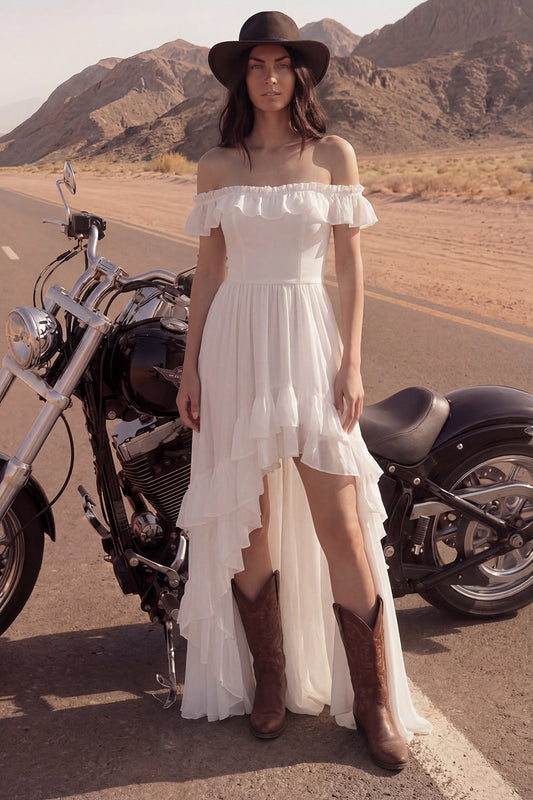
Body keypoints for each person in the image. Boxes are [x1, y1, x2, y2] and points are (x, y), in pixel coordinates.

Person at [176, 10, 431, 771]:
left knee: (342, 523)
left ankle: (374, 703)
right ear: (240, 77)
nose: (269, 76)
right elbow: (209, 273)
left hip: (308, 342)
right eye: (255, 65)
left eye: (281, 62)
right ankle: (270, 680)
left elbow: (350, 268)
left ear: (301, 73)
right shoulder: (217, 165)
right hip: (233, 347)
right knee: (247, 523)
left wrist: (350, 363)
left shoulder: (333, 155)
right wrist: (190, 367)